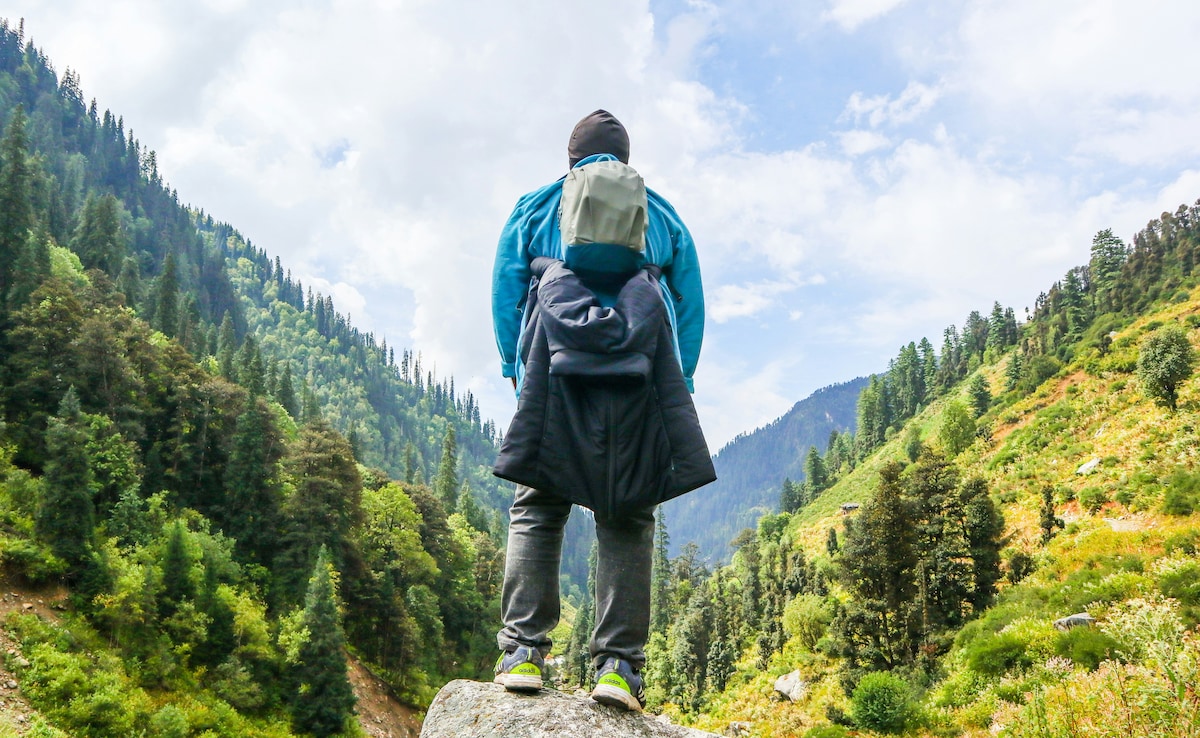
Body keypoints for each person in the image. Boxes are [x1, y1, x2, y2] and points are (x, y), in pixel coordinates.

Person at [490, 110, 706, 712]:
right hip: (640, 367)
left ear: (572, 159)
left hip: (554, 364)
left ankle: (523, 653)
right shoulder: (659, 213)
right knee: (629, 510)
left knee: (538, 503)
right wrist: (679, 379)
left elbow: (507, 288)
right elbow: (689, 301)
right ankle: (617, 668)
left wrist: (515, 368)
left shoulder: (536, 208)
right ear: (625, 160)